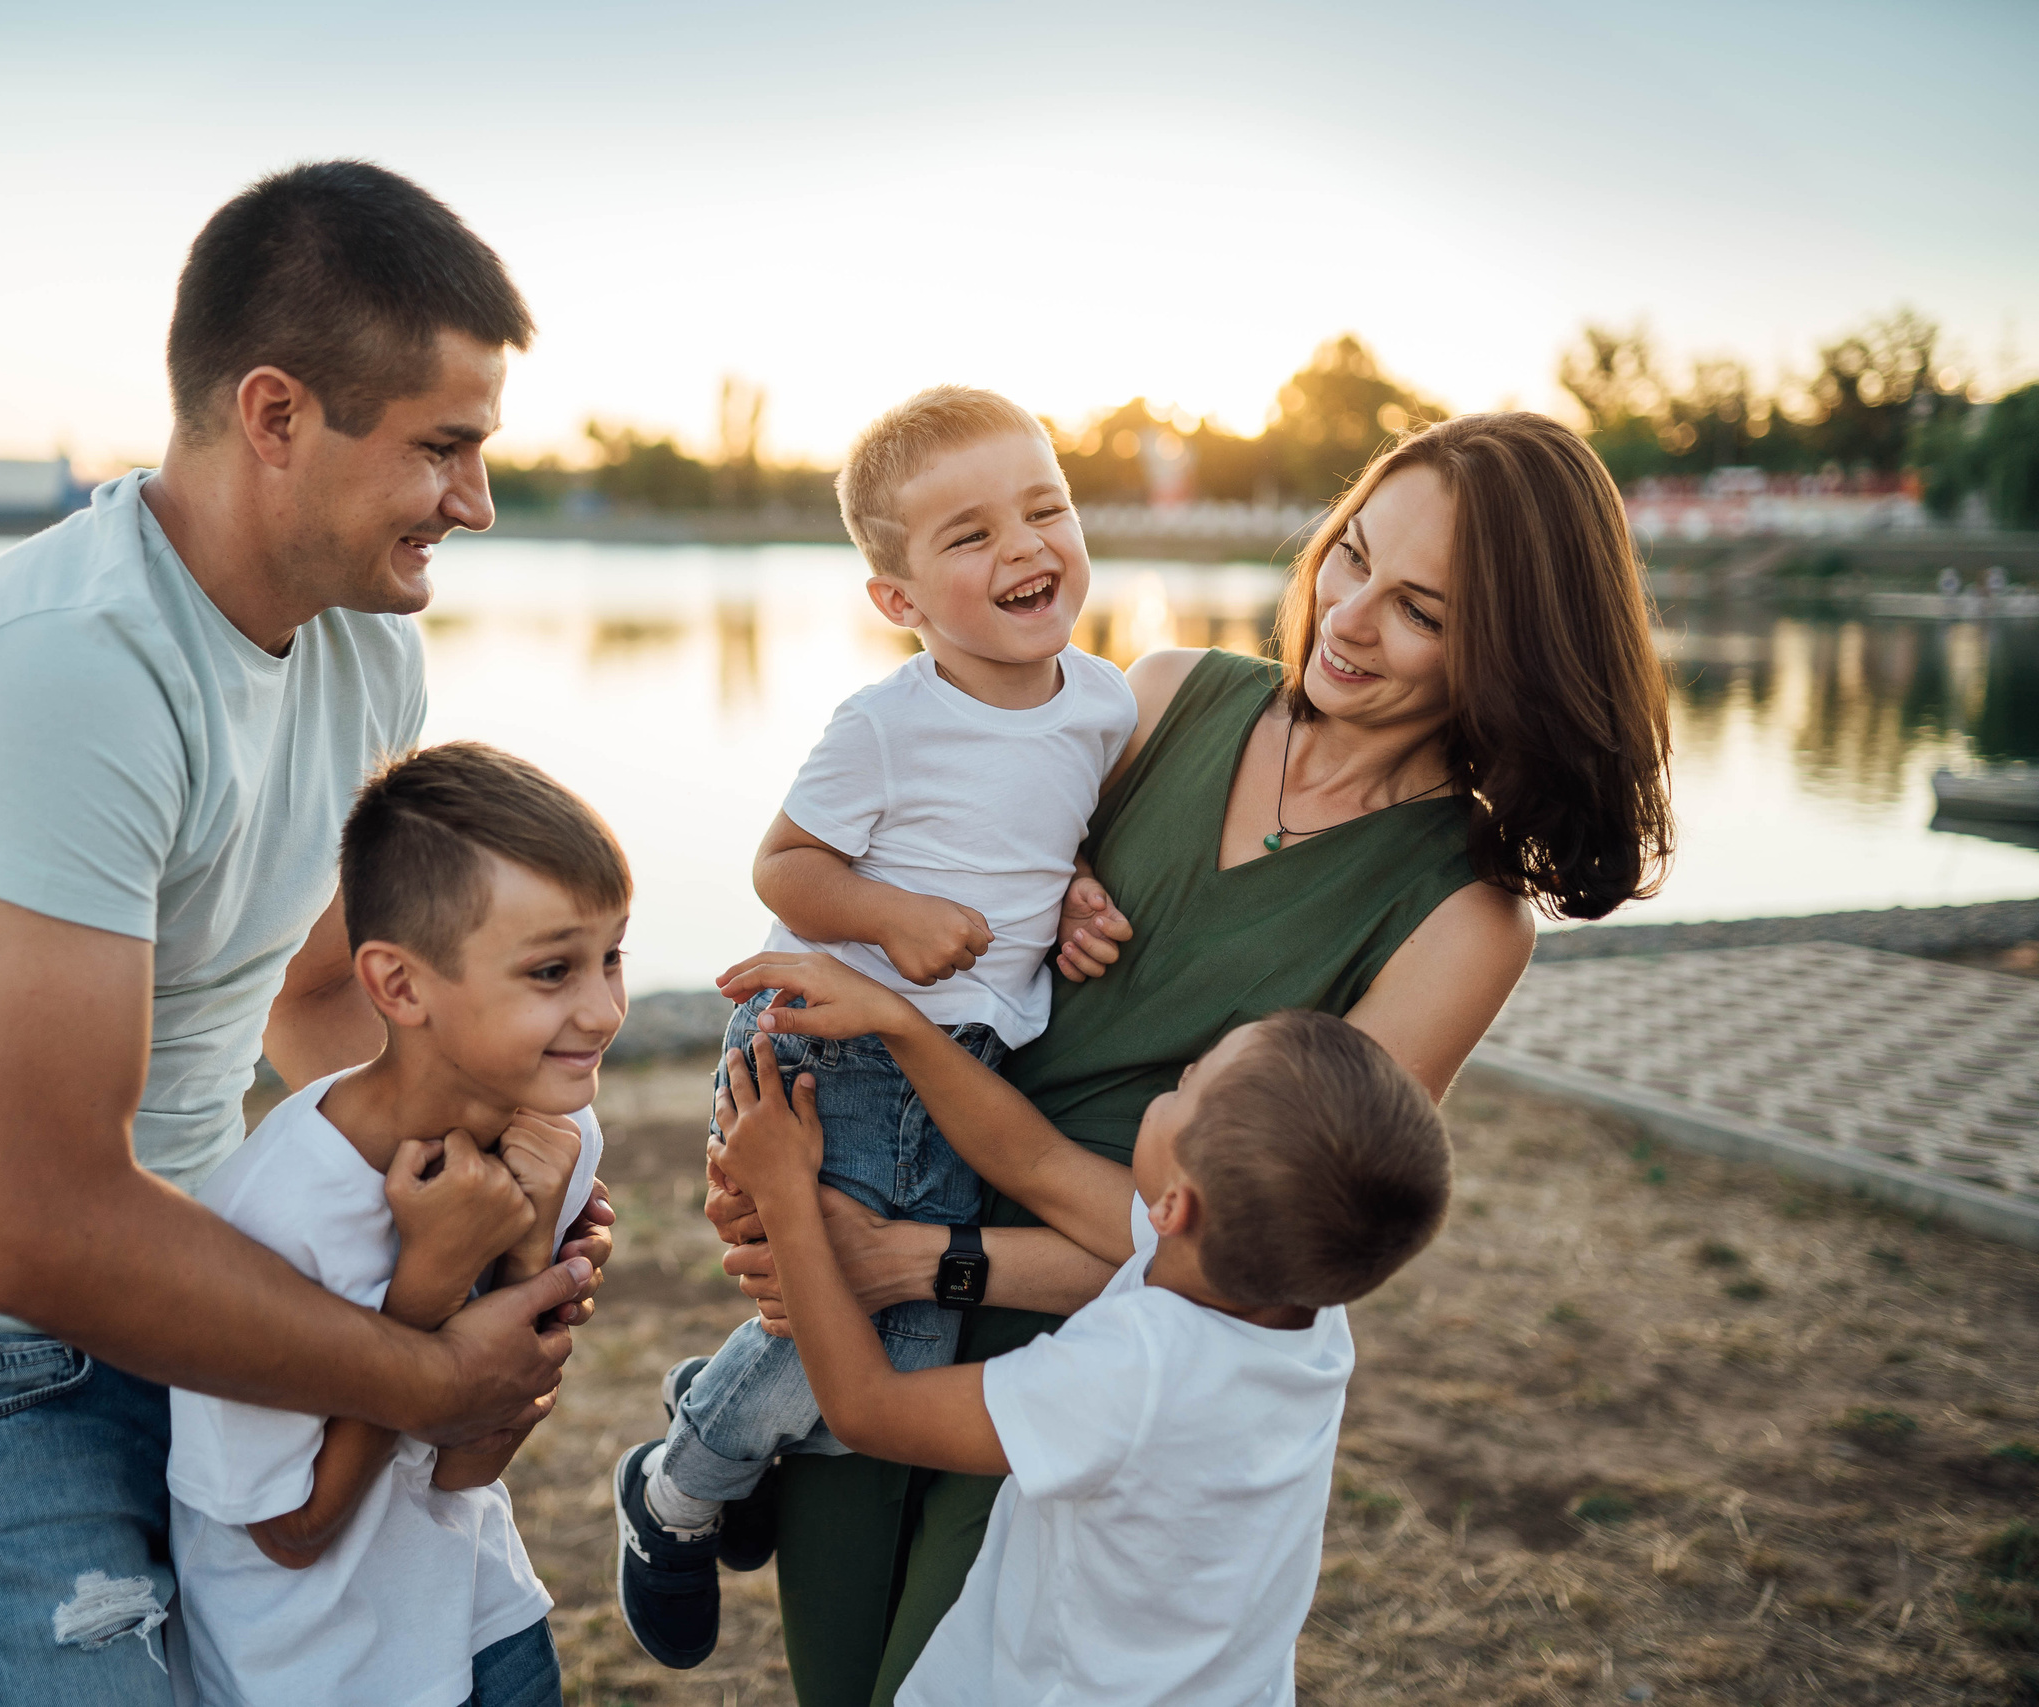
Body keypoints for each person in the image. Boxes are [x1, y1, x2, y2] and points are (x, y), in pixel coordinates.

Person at [0, 163, 613, 1707]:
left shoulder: (359, 647)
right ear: (275, 414)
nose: (474, 501)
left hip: (203, 1260)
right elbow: (31, 1223)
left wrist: (480, 1195)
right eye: (443, 448)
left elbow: (318, 993)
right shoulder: (71, 672)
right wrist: (425, 1370)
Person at [706, 412, 1677, 1704]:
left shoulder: (1468, 917)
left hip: (1086, 1353)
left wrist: (935, 1257)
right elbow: (927, 884)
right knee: (832, 1678)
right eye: (1352, 557)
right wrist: (791, 1178)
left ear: (1511, 653)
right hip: (874, 1243)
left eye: (1422, 610)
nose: (1350, 616)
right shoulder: (1156, 699)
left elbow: (1268, 1240)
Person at [611, 387, 1135, 1669]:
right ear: (896, 601)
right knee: (860, 1324)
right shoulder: (888, 724)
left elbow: (1044, 844)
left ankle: (722, 1428)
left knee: (890, 1332)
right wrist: (889, 914)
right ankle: (674, 1489)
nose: (1022, 547)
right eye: (968, 537)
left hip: (957, 1065)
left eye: (1044, 509)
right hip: (840, 1047)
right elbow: (786, 867)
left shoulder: (1104, 706)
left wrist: (1072, 896)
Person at [711, 1008, 1449, 1706]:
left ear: (1174, 1208)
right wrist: (898, 1021)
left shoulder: (1133, 1372)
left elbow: (870, 1408)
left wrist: (786, 1197)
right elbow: (1032, 1158)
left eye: (1186, 1087)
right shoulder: (1306, 1309)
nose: (1182, 1073)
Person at [169, 744, 626, 1707]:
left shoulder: (556, 1133)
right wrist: (427, 1279)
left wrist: (529, 1256)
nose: (603, 1009)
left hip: (484, 1623)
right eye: (553, 970)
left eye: (612, 956)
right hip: (309, 1674)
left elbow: (468, 1460)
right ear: (401, 986)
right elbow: (292, 1534)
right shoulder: (268, 1221)